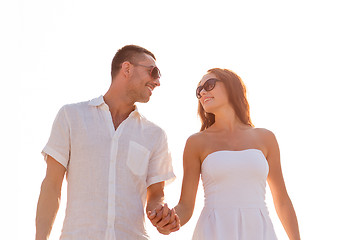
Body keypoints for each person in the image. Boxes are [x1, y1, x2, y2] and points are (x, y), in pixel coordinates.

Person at [35, 44, 179, 240]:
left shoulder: (155, 135)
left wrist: (161, 215)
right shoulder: (71, 116)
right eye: (153, 72)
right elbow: (51, 186)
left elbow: (156, 195)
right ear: (127, 69)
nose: (157, 82)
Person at [149, 68, 301, 239]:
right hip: (213, 231)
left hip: (259, 230)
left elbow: (281, 200)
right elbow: (186, 206)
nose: (203, 92)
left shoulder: (266, 138)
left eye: (209, 85)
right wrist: (167, 223)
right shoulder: (196, 142)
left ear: (231, 87)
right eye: (199, 90)